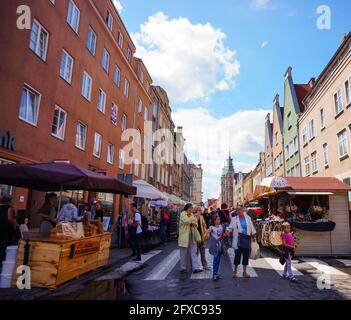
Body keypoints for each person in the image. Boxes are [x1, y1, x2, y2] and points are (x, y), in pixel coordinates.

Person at [227, 206, 257, 279]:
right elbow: (230, 227)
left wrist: (254, 236)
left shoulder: (248, 218)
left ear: (243, 210)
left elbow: (252, 227)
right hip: (238, 240)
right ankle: (235, 271)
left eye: (240, 210)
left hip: (246, 239)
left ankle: (244, 272)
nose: (239, 211)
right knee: (237, 256)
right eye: (238, 210)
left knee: (246, 256)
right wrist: (228, 231)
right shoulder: (234, 219)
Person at [178, 203, 203, 274]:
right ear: (188, 208)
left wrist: (193, 221)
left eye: (192, 208)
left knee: (194, 252)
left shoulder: (191, 215)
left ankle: (195, 268)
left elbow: (196, 224)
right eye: (191, 208)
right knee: (183, 253)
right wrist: (193, 218)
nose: (192, 209)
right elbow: (186, 221)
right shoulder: (183, 214)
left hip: (192, 235)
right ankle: (183, 267)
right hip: (184, 237)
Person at [0, 196, 19, 262]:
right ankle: (5, 257)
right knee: (7, 242)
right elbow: (10, 218)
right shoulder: (9, 208)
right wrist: (16, 223)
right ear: (9, 201)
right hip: (7, 227)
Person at [207, 214, 224, 280]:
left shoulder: (221, 226)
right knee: (215, 260)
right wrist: (207, 233)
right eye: (217, 219)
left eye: (219, 219)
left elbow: (222, 234)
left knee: (219, 260)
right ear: (214, 221)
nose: (219, 220)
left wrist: (224, 233)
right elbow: (209, 231)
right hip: (215, 245)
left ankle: (216, 273)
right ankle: (214, 274)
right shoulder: (212, 227)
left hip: (220, 244)